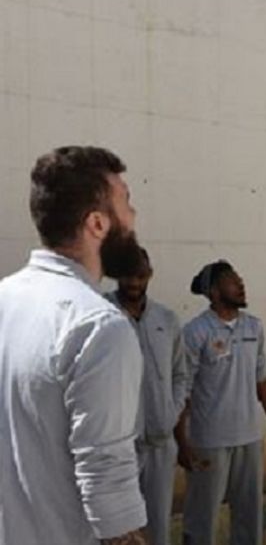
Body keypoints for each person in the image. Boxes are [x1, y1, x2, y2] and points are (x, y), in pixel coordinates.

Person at [0, 146, 149, 544]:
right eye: (127, 202)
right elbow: (105, 473)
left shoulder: (5, 298)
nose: (133, 217)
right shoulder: (99, 327)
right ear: (97, 224)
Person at [179, 261, 266, 545]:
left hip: (249, 439)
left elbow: (262, 380)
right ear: (215, 291)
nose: (241, 285)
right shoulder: (196, 332)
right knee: (202, 516)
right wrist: (182, 443)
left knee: (248, 516)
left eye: (241, 280)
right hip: (209, 441)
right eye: (233, 281)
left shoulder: (254, 326)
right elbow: (183, 391)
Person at [108, 248, 188, 545]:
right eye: (128, 275)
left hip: (160, 443)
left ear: (149, 275)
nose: (134, 283)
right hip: (117, 445)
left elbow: (181, 375)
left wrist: (171, 412)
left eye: (140, 275)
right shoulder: (101, 314)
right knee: (117, 530)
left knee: (158, 528)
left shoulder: (166, 319)